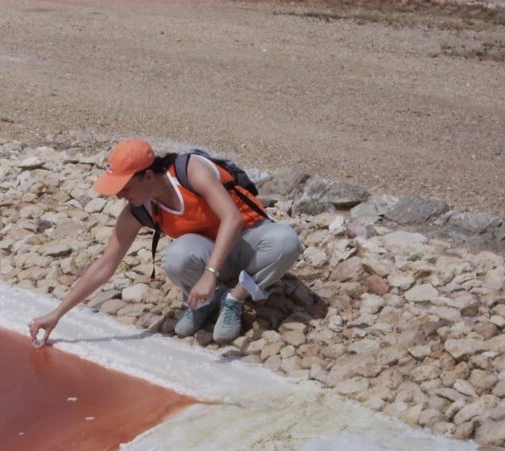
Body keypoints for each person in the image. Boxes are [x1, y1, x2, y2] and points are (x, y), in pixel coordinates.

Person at [29, 139, 302, 347]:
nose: (120, 196)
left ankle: (234, 298)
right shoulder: (139, 210)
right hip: (215, 255)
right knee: (177, 257)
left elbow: (232, 218)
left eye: (125, 187)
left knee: (285, 242)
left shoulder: (190, 171)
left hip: (249, 241)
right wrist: (57, 314)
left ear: (148, 176)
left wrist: (209, 274)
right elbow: (105, 265)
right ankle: (207, 301)